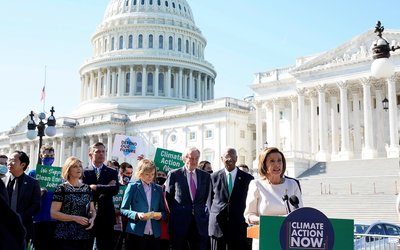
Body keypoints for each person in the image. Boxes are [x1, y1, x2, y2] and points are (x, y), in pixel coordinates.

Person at [243, 147, 303, 250]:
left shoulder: (293, 184)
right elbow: (249, 215)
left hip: (288, 240)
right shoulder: (256, 184)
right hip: (264, 239)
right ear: (264, 165)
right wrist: (269, 221)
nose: (277, 164)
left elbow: (300, 213)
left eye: (279, 161)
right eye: (272, 161)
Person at [165, 146, 211, 250]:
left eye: (196, 158)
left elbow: (206, 197)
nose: (194, 161)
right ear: (185, 158)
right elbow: (168, 198)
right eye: (191, 158)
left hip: (199, 223)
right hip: (180, 223)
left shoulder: (205, 176)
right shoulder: (174, 174)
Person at [209, 147, 254, 250]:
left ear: (237, 158)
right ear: (221, 159)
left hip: (239, 226)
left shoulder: (248, 178)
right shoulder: (213, 177)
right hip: (218, 226)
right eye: (226, 156)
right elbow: (209, 201)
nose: (229, 158)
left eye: (232, 155)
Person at [51, 156, 96, 250]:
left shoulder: (87, 188)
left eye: (80, 166)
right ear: (68, 169)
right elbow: (54, 213)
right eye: (75, 166)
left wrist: (92, 218)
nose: (79, 168)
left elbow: (92, 210)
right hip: (65, 235)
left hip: (84, 235)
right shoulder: (61, 188)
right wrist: (75, 218)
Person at [120, 159, 166, 250]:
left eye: (152, 174)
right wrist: (136, 215)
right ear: (140, 173)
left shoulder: (158, 189)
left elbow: (163, 212)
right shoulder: (132, 187)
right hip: (136, 232)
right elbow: (123, 209)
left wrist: (160, 215)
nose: (150, 177)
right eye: (147, 174)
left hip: (154, 233)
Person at [82, 142, 119, 250]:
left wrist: (96, 187)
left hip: (106, 215)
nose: (101, 154)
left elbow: (115, 190)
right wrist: (106, 187)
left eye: (103, 151)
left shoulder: (112, 172)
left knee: (106, 246)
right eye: (98, 151)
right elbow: (85, 191)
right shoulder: (84, 172)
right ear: (90, 155)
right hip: (88, 215)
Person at [1, 150, 41, 246]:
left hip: (24, 228)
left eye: (13, 160)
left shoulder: (33, 183)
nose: (9, 163)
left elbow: (35, 206)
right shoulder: (2, 182)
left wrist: (18, 218)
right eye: (8, 160)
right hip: (3, 230)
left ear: (23, 164)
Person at [29, 145, 58, 250]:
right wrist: (38, 192)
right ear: (41, 156)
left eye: (51, 155)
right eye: (46, 155)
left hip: (53, 217)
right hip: (38, 217)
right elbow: (27, 194)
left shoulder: (57, 175)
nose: (49, 158)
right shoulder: (33, 173)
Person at [114, 162, 134, 250]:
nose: (129, 176)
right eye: (127, 173)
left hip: (129, 222)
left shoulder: (133, 187)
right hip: (116, 223)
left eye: (131, 173)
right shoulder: (115, 187)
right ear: (121, 173)